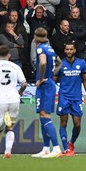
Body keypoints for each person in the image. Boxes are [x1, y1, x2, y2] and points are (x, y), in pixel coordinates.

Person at [54, 43, 86, 156]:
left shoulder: (81, 63)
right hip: (64, 97)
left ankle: (71, 143)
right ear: (65, 51)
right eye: (67, 49)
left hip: (76, 98)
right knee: (63, 123)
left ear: (75, 50)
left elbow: (85, 80)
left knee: (77, 124)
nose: (69, 51)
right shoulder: (60, 63)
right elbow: (54, 80)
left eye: (71, 49)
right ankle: (66, 148)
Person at [31, 27, 63, 158]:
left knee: (45, 116)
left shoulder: (40, 48)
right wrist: (51, 75)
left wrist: (41, 78)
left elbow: (42, 62)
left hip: (45, 85)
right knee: (42, 116)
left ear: (36, 36)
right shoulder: (50, 48)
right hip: (49, 83)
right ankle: (45, 148)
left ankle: (56, 148)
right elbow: (59, 63)